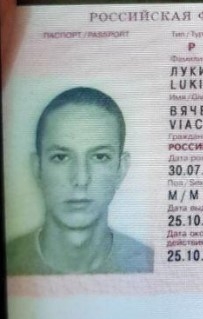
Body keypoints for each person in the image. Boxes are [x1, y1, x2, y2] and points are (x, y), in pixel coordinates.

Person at [7, 87, 153, 275]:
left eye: (100, 157)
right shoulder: (11, 262)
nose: (81, 179)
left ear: (121, 169)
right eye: (61, 157)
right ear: (37, 169)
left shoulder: (146, 264)